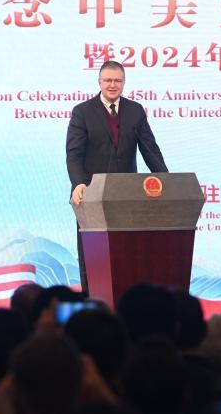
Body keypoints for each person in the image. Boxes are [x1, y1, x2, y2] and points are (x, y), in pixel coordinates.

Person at [66, 61, 168, 290]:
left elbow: (150, 149)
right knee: (94, 257)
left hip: (127, 196)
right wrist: (78, 183)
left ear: (124, 83)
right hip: (91, 195)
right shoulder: (82, 112)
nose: (113, 85)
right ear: (99, 82)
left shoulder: (135, 110)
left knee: (128, 253)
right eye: (108, 80)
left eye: (117, 81)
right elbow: (74, 154)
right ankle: (92, 303)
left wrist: (166, 180)